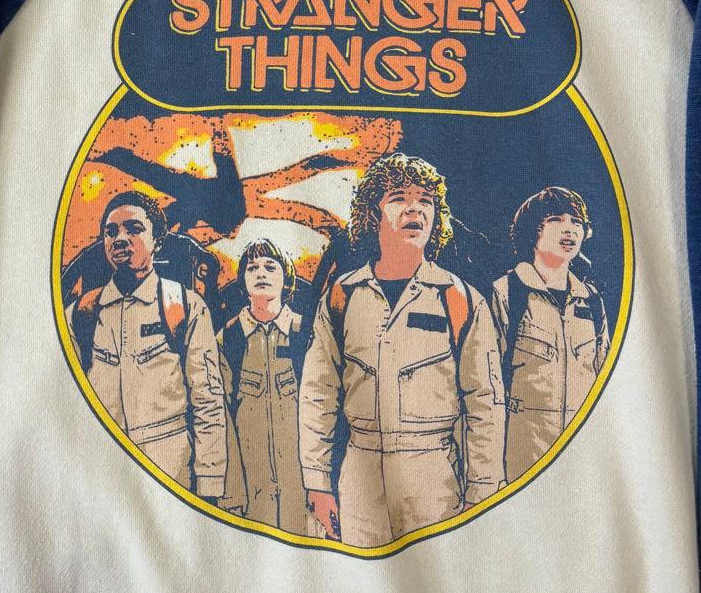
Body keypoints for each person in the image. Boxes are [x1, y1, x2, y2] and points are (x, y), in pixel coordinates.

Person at [299, 153, 506, 547]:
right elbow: (317, 393)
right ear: (372, 214)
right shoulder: (342, 296)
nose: (415, 209)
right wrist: (317, 481)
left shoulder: (459, 299)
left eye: (425, 201)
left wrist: (482, 492)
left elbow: (485, 403)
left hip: (435, 477)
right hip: (359, 475)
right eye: (398, 198)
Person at [65, 191, 227, 498]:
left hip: (170, 477)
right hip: (103, 477)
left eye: (134, 229)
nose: (120, 239)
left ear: (157, 241)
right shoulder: (82, 313)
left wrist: (209, 486)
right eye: (111, 232)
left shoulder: (185, 306)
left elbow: (208, 402)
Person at [491, 187, 611, 483]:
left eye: (577, 222)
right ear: (533, 230)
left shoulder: (592, 301)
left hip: (583, 463)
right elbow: (487, 389)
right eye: (556, 219)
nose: (569, 229)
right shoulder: (506, 293)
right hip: (523, 463)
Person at [216, 239, 313, 534]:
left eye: (270, 267)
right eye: (252, 267)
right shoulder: (229, 339)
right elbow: (220, 420)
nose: (261, 273)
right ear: (243, 280)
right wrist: (231, 494)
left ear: (286, 278)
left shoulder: (308, 334)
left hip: (303, 493)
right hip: (251, 495)